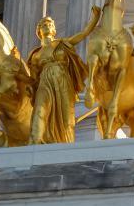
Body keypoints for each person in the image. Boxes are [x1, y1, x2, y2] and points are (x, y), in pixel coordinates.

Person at [27, 11, 99, 144]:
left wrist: (95, 19)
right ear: (39, 32)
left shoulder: (62, 43)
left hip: (63, 80)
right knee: (40, 109)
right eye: (42, 24)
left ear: (54, 29)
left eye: (49, 24)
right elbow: (32, 79)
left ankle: (67, 144)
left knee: (67, 118)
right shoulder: (35, 55)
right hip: (45, 82)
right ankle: (35, 142)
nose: (46, 25)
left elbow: (83, 34)